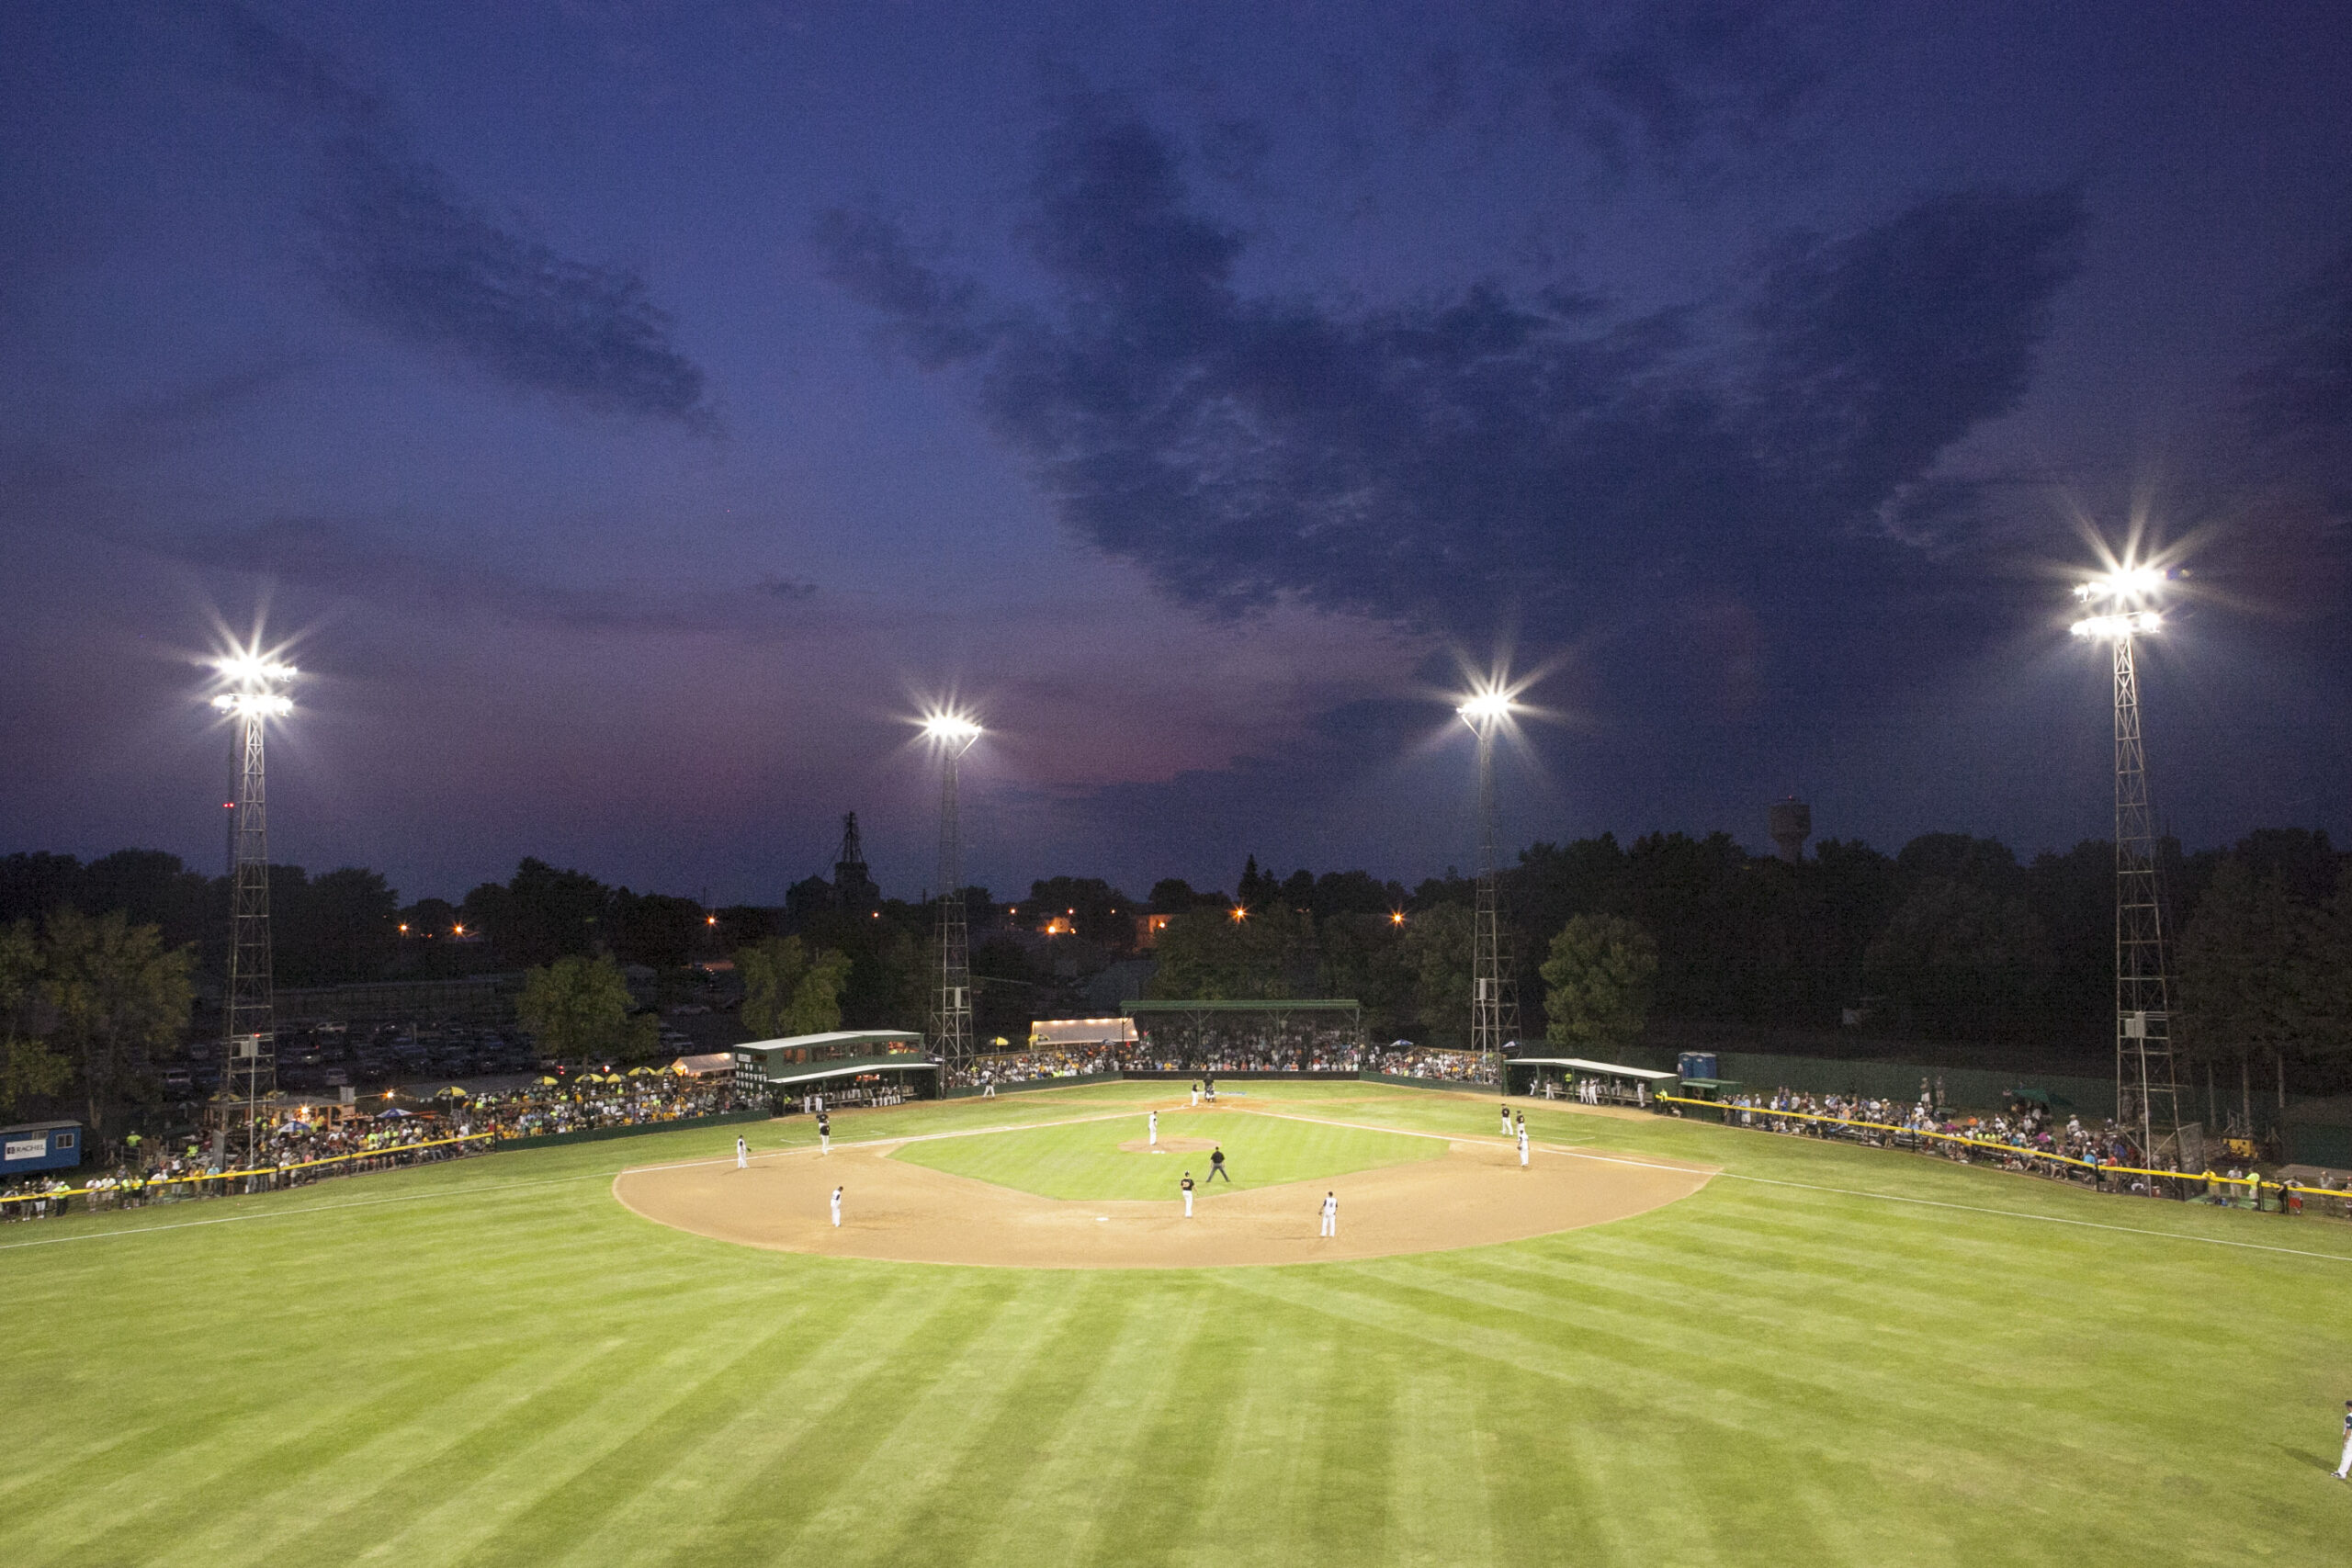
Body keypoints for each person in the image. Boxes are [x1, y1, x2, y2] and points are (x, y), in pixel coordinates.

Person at [2336, 1399, 2352, 1480]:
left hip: (2351, 1439)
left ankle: (2341, 1473)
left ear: (2349, 1407)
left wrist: (2345, 1440)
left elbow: (2349, 1430)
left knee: (2346, 1455)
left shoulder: (2350, 1417)